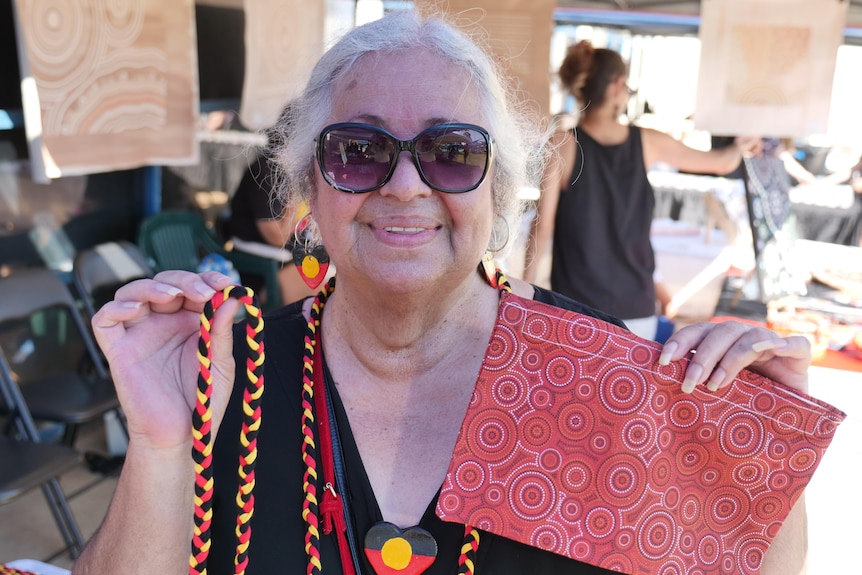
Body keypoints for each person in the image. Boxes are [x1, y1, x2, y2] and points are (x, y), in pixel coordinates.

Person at [73, 10, 813, 575]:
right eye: (358, 151)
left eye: (451, 152)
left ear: (499, 191)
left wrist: (764, 457)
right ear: (309, 192)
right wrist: (160, 444)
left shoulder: (603, 376)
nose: (403, 185)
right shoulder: (234, 376)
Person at [523, 40, 760, 340]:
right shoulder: (646, 141)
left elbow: (541, 228)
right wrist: (744, 142)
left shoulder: (563, 143)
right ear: (617, 86)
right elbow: (722, 163)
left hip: (574, 309)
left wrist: (521, 298)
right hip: (635, 308)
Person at [226, 125, 318, 306]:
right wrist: (295, 196)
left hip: (291, 256)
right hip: (265, 262)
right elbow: (277, 237)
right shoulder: (266, 172)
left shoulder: (294, 170)